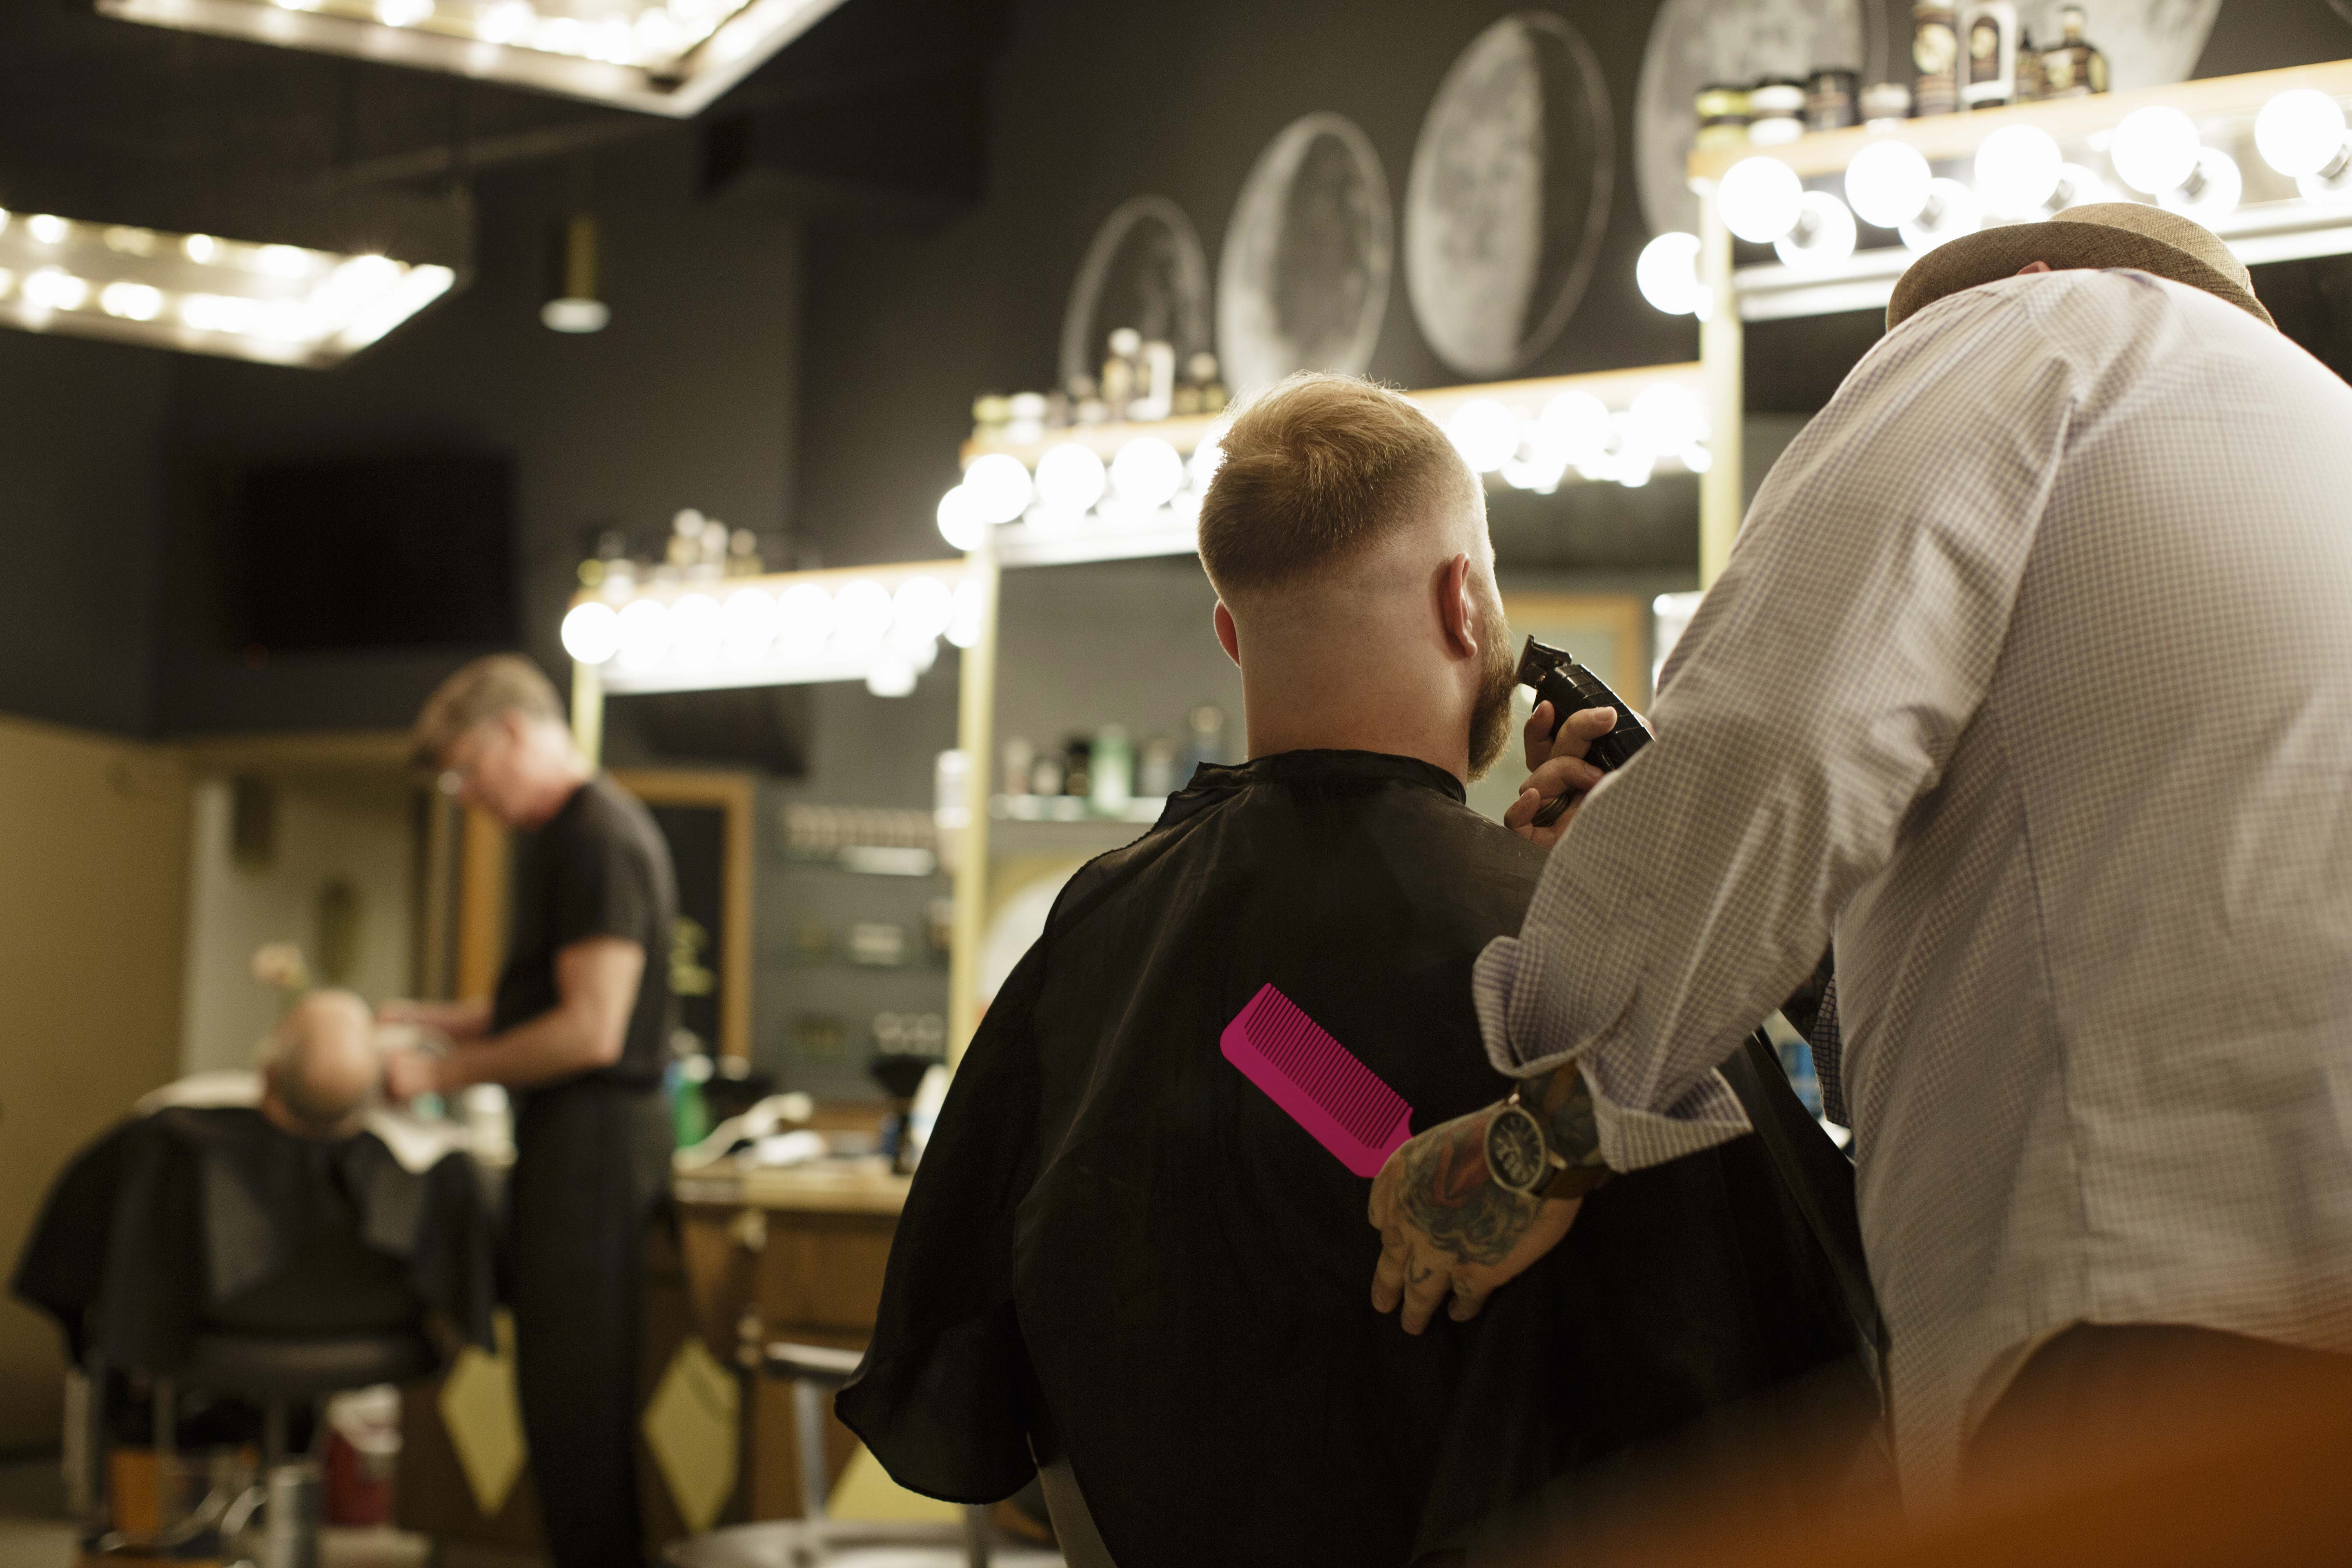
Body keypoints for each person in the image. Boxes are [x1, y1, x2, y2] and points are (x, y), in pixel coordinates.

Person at [1370, 204, 2352, 1499]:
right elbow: (2035, 927)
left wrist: (1553, 1122)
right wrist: (1778, 952)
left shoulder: (2030, 323)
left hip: (2156, 1304)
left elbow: (1788, 718)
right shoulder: (2312, 431)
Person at [837, 375, 1861, 1568]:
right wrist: (1624, 924)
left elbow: (969, 1369)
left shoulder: (1097, 933)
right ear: (1463, 600)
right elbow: (1812, 1361)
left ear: (1231, 633)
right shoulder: (1569, 960)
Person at [380, 655, 677, 1568]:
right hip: (570, 1146)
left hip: (594, 1150)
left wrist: (442, 1075)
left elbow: (590, 1031)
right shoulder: (561, 839)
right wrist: (424, 1022)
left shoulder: (598, 836)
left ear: (513, 731)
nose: (468, 796)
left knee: (578, 1413)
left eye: (468, 771)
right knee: (557, 1408)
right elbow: (537, 1004)